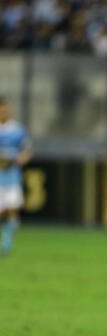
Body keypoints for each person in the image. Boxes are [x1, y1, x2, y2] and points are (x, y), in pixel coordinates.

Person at [0, 97, 33, 256]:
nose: (3, 112)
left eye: (5, 109)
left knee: (12, 210)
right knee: (2, 212)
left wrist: (20, 159)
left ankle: (6, 244)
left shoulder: (17, 130)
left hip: (12, 176)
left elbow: (27, 150)